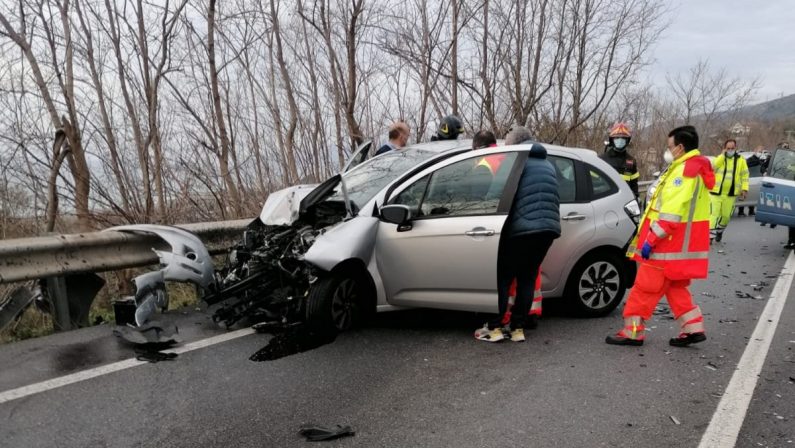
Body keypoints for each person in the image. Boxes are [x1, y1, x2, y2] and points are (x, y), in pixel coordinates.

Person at [606, 125, 715, 347]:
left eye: (670, 147)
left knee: (644, 288)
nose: (668, 150)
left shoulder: (685, 172)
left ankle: (633, 332)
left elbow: (670, 215)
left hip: (666, 246)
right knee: (675, 288)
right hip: (679, 246)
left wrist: (650, 241)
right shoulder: (693, 168)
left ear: (681, 147)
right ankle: (693, 328)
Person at [475, 141, 560, 343]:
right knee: (527, 278)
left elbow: (495, 192)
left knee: (503, 278)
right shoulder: (548, 165)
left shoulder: (516, 161)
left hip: (521, 229)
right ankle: (517, 328)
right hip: (548, 229)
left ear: (517, 146)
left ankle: (495, 327)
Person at [710, 139, 749, 242]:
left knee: (726, 216)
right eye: (728, 148)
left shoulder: (741, 160)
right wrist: (722, 156)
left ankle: (719, 231)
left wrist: (744, 189)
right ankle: (710, 237)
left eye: (732, 148)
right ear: (724, 148)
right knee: (713, 214)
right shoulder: (719, 158)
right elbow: (713, 168)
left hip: (730, 194)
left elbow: (745, 175)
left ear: (735, 148)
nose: (730, 150)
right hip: (716, 192)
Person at [600, 122, 640, 197]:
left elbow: (634, 184)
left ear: (627, 140)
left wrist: (636, 197)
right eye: (617, 138)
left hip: (625, 200)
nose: (620, 140)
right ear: (612, 140)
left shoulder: (631, 161)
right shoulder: (602, 159)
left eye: (623, 138)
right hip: (606, 199)